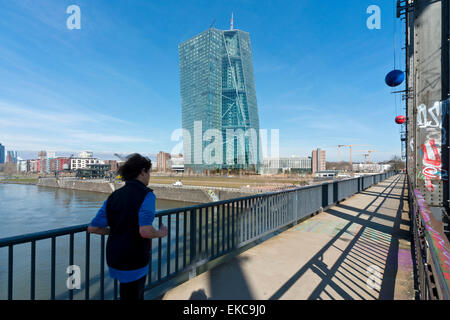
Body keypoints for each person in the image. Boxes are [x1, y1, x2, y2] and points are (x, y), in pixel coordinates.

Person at [87, 153, 167, 300]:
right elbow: (145, 231)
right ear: (143, 172)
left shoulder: (114, 196)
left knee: (127, 294)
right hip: (134, 258)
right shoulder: (147, 195)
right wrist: (161, 233)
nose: (149, 176)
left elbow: (93, 228)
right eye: (149, 172)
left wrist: (115, 230)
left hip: (114, 257)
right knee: (134, 295)